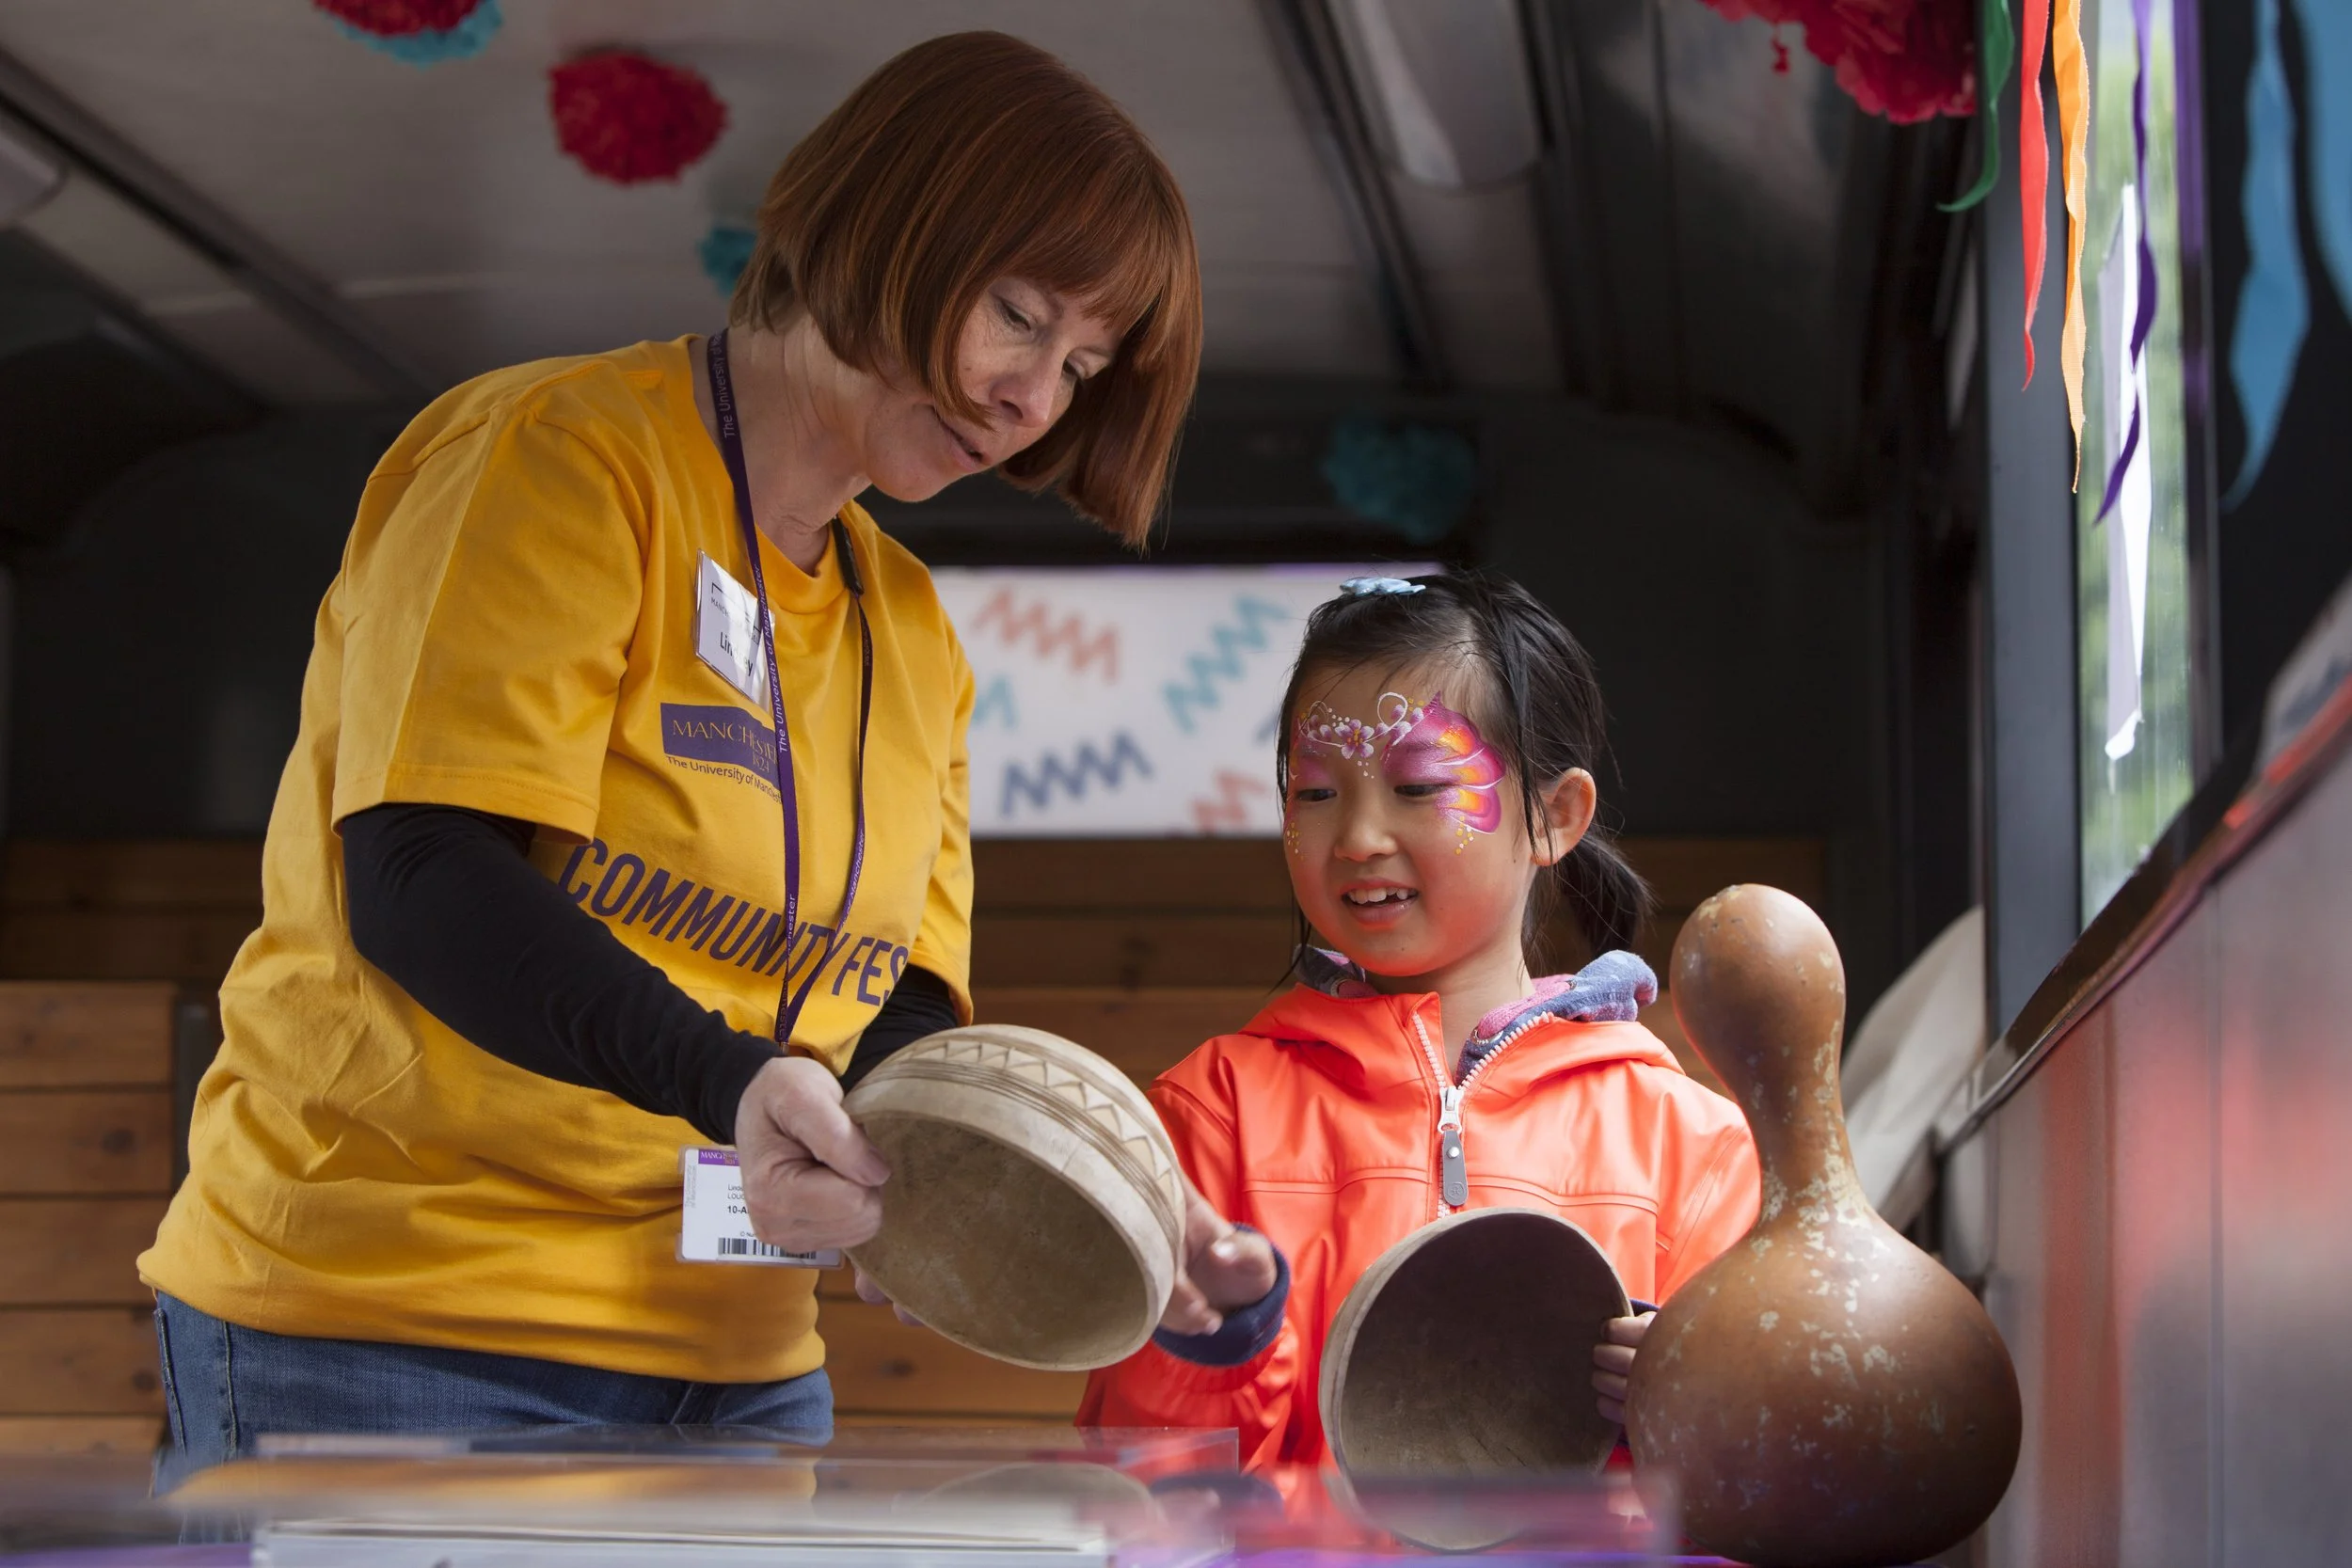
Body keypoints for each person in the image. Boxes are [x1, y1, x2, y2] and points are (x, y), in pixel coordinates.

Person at [137, 30, 1203, 1471]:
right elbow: (421, 873)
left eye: (1081, 364)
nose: (1034, 402)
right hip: (396, 1322)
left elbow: (895, 1012)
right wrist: (735, 1082)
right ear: (884, 221)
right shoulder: (559, 456)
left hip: (742, 1361)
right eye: (1020, 315)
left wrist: (1061, 1178)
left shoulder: (914, 627)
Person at [1078, 571, 1763, 1468]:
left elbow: (1757, 1483)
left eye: (1417, 786)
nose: (1358, 835)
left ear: (1555, 816)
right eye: (1316, 792)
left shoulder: (1690, 1144)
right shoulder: (1211, 1111)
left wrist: (1690, 1404)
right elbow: (1146, 1481)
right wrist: (1213, 1340)